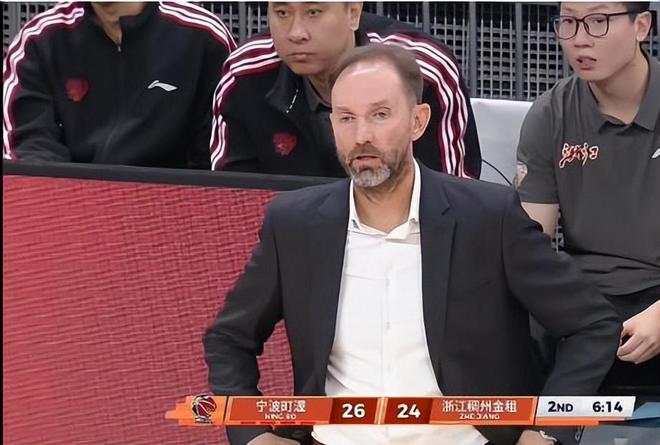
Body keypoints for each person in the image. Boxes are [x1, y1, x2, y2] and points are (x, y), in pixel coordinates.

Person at [204, 44, 621, 445]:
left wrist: (546, 430)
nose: (362, 136)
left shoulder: (488, 218)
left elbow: (592, 326)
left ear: (418, 121)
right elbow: (228, 339)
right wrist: (252, 434)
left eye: (380, 115)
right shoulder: (294, 225)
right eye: (346, 118)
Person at [515, 1, 660, 395]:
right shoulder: (551, 113)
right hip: (583, 296)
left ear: (641, 26)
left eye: (598, 21)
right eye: (569, 23)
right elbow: (529, 244)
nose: (579, 39)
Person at [209, 2, 481, 179]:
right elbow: (229, 200)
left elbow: (454, 202)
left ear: (353, 12)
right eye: (282, 13)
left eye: (313, 13)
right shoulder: (244, 74)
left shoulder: (422, 73)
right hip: (287, 239)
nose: (296, 33)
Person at [3, 1, 236, 169]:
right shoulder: (39, 41)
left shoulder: (203, 38)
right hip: (70, 206)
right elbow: (30, 148)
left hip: (175, 207)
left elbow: (217, 155)